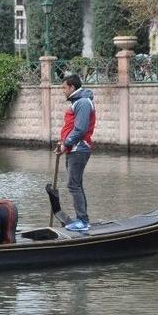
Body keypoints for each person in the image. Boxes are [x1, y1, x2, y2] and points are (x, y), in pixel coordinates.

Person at [55, 74, 96, 232]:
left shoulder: (83, 102)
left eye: (64, 88)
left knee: (74, 185)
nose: (63, 91)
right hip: (73, 148)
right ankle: (83, 219)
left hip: (79, 149)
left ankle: (83, 221)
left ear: (72, 87)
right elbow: (72, 127)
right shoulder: (77, 102)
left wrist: (66, 143)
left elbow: (80, 129)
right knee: (75, 184)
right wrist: (62, 143)